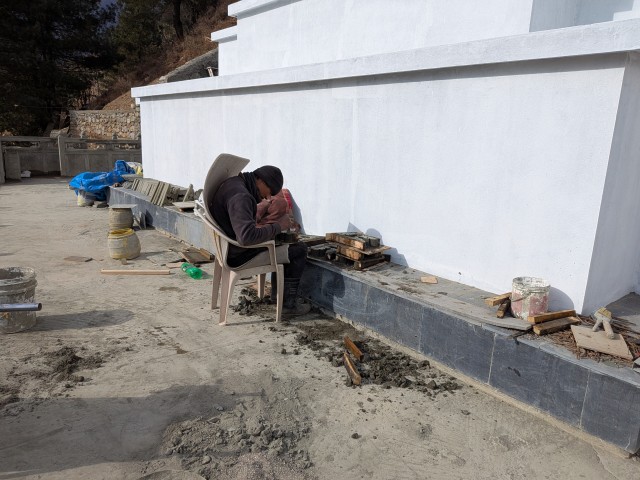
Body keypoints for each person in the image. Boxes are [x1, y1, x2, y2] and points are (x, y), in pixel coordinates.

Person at [209, 165, 311, 316]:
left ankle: (277, 297)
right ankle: (287, 305)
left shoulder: (233, 183)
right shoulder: (241, 196)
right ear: (261, 180)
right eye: (269, 192)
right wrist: (278, 226)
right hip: (239, 255)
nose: (268, 198)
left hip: (228, 248)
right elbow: (246, 238)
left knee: (282, 243)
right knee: (298, 249)